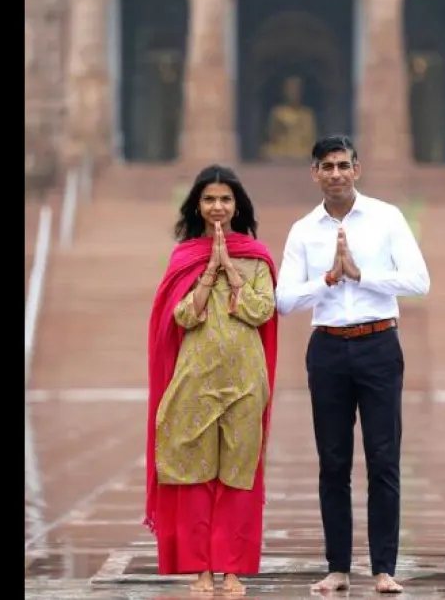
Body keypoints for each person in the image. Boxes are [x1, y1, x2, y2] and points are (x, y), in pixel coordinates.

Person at [275, 135, 431, 594]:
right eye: (327, 166)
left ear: (357, 170)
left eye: (344, 165)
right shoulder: (304, 229)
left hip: (379, 343)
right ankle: (338, 567)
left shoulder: (386, 218)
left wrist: (363, 274)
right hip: (327, 349)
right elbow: (284, 299)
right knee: (333, 462)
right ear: (315, 174)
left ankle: (384, 568)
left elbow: (419, 280)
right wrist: (326, 280)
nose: (336, 174)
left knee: (384, 460)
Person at [144, 164, 280, 595]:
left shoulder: (256, 255)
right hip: (195, 376)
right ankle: (201, 569)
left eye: (225, 199)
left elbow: (262, 310)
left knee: (239, 472)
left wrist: (232, 271)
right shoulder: (184, 256)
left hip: (245, 378)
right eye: (209, 199)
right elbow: (182, 315)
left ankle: (233, 569)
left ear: (237, 205)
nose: (217, 207)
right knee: (195, 473)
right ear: (197, 206)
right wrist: (208, 273)